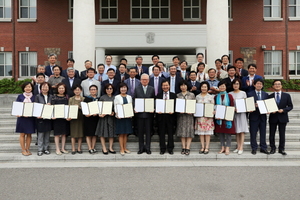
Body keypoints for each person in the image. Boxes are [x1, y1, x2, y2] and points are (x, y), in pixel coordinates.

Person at [269, 80, 293, 155]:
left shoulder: (287, 95)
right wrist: (270, 110)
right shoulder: (270, 96)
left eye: (279, 84)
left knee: (282, 134)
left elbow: (290, 106)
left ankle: (281, 149)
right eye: (275, 84)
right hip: (273, 117)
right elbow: (267, 107)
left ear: (281, 85)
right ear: (273, 86)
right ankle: (272, 148)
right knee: (271, 134)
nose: (277, 85)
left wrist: (283, 110)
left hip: (283, 117)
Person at [247, 79, 269, 155]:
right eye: (257, 84)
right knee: (253, 133)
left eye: (260, 84)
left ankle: (263, 147)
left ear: (262, 85)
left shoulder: (266, 94)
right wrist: (253, 105)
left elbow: (268, 105)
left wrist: (268, 109)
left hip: (263, 116)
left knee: (263, 132)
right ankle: (254, 148)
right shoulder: (250, 94)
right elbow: (248, 106)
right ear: (254, 85)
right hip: (254, 116)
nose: (259, 85)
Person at [134, 74, 155, 154]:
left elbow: (154, 100)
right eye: (143, 79)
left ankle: (148, 148)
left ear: (149, 80)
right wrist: (135, 108)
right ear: (140, 80)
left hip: (149, 114)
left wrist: (153, 108)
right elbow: (134, 99)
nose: (144, 81)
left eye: (146, 79)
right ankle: (141, 148)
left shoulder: (152, 89)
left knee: (148, 132)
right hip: (139, 114)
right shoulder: (137, 88)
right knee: (140, 132)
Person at [215, 80, 236, 155]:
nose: (222, 87)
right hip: (219, 118)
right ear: (218, 87)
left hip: (228, 118)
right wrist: (215, 112)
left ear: (226, 87)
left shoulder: (229, 96)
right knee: (221, 133)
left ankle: (227, 147)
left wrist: (230, 113)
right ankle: (222, 147)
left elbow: (232, 106)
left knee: (228, 133)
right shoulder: (216, 97)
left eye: (223, 86)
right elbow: (214, 107)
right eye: (220, 86)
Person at [15, 82, 36, 156]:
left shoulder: (34, 97)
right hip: (22, 118)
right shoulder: (20, 96)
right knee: (22, 134)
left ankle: (27, 149)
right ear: (23, 88)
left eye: (29, 87)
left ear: (32, 88)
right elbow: (17, 107)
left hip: (30, 118)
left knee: (29, 134)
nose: (28, 88)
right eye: (26, 87)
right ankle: (23, 149)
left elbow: (36, 108)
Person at [229, 79, 249, 155]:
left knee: (242, 131)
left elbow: (246, 103)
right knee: (237, 131)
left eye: (237, 84)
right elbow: (229, 104)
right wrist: (233, 109)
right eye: (234, 84)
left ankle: (241, 147)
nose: (236, 85)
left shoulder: (243, 93)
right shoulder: (230, 93)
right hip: (234, 113)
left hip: (242, 113)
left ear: (239, 85)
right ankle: (238, 146)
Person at [156, 80, 176, 155]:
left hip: (170, 117)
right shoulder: (159, 95)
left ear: (169, 86)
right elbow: (156, 105)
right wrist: (157, 110)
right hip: (161, 117)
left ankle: (170, 148)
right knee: (162, 133)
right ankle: (162, 148)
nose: (165, 87)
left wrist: (173, 111)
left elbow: (176, 106)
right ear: (161, 87)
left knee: (170, 133)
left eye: (166, 85)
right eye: (163, 85)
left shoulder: (173, 95)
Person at [95, 83, 116, 155]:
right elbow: (99, 108)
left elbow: (116, 108)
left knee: (111, 133)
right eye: (108, 88)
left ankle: (110, 147)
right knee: (102, 133)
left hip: (111, 118)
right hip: (103, 118)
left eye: (111, 88)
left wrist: (113, 112)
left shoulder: (115, 98)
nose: (109, 90)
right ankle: (104, 147)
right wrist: (100, 114)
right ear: (105, 90)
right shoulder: (102, 97)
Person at [195, 81, 215, 154]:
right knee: (201, 133)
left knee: (207, 133)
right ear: (200, 88)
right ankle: (202, 147)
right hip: (200, 117)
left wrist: (213, 111)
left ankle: (207, 147)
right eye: (202, 87)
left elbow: (213, 106)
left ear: (207, 88)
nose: (204, 88)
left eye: (205, 87)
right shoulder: (197, 96)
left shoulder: (211, 97)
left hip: (208, 118)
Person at [176, 80, 195, 155]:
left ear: (187, 86)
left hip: (189, 116)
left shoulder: (192, 95)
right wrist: (178, 111)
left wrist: (192, 111)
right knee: (182, 131)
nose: (183, 87)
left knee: (189, 131)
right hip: (181, 116)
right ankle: (183, 147)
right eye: (181, 85)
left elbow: (194, 105)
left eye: (184, 85)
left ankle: (188, 147)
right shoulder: (178, 95)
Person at [114, 83, 133, 155]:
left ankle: (125, 148)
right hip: (120, 118)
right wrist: (117, 114)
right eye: (121, 88)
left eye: (124, 87)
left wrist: (130, 113)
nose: (123, 89)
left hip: (127, 117)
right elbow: (115, 107)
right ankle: (121, 148)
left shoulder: (129, 97)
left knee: (126, 133)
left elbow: (130, 106)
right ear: (119, 89)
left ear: (127, 89)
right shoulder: (117, 97)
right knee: (121, 134)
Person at [35, 82, 52, 156]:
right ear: (40, 88)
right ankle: (40, 149)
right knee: (41, 134)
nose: (45, 88)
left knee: (47, 134)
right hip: (40, 118)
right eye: (43, 87)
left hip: (48, 117)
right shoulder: (38, 96)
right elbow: (35, 107)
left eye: (46, 87)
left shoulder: (51, 96)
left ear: (48, 88)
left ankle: (46, 149)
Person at [51, 83, 69, 155]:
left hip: (65, 118)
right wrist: (52, 116)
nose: (61, 90)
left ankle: (63, 148)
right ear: (57, 89)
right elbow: (51, 107)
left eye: (62, 88)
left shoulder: (67, 97)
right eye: (60, 88)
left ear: (65, 89)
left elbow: (69, 107)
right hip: (56, 118)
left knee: (64, 134)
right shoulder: (54, 97)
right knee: (57, 134)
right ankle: (57, 149)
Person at [67, 85, 85, 155]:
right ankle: (73, 148)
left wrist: (79, 107)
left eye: (78, 90)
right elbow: (69, 108)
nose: (77, 91)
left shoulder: (83, 99)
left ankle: (79, 148)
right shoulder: (71, 99)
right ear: (73, 91)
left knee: (80, 134)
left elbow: (85, 108)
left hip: (81, 117)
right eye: (76, 90)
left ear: (81, 91)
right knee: (73, 134)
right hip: (73, 118)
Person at [83, 85, 100, 154]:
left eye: (94, 89)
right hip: (88, 118)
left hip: (96, 118)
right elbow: (84, 109)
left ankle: (93, 147)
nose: (93, 91)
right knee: (88, 134)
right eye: (91, 89)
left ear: (97, 90)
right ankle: (89, 148)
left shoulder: (99, 99)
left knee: (94, 134)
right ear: (89, 91)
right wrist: (87, 113)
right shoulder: (86, 99)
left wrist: (97, 113)